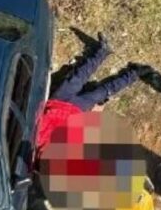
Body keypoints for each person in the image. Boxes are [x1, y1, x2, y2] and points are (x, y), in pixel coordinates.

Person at [35, 33, 141, 164]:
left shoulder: (32, 149)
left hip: (57, 102)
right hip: (75, 110)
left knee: (79, 76)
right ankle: (133, 74)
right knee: (100, 92)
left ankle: (103, 51)